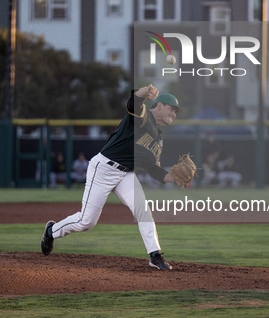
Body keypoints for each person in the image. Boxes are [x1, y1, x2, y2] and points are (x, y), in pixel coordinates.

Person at [41, 84, 183, 270]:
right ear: (159, 105)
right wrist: (145, 92)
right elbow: (134, 102)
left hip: (126, 174)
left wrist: (174, 178)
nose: (174, 113)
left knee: (143, 211)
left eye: (176, 111)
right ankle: (51, 231)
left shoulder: (159, 137)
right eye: (171, 109)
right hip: (104, 168)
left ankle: (155, 256)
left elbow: (153, 169)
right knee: (87, 221)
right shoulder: (142, 116)